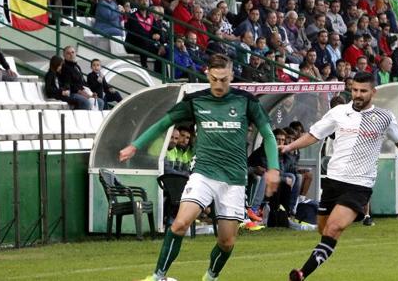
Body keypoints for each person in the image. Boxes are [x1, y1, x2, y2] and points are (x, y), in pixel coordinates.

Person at [119, 54, 280, 281]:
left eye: (224, 79)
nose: (219, 84)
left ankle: (210, 276)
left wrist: (274, 168)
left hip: (233, 180)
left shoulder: (246, 101)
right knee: (180, 224)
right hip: (203, 173)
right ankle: (158, 276)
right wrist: (135, 146)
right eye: (214, 79)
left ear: (231, 76)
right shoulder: (196, 100)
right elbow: (164, 123)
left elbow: (268, 135)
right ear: (207, 75)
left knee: (226, 242)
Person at [281, 72, 398, 281]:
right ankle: (325, 249)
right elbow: (314, 134)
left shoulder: (384, 117)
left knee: (333, 228)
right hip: (334, 182)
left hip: (359, 185)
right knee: (324, 230)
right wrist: (289, 147)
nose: (357, 94)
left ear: (373, 92)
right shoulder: (339, 112)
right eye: (355, 90)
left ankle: (302, 273)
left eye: (363, 91)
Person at [59, 45, 104, 110]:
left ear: (75, 54)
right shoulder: (64, 67)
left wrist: (91, 93)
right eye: (68, 53)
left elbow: (83, 82)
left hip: (82, 91)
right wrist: (82, 93)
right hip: (73, 93)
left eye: (72, 52)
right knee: (86, 102)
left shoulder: (77, 66)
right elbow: (69, 85)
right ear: (64, 55)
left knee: (100, 102)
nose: (71, 55)